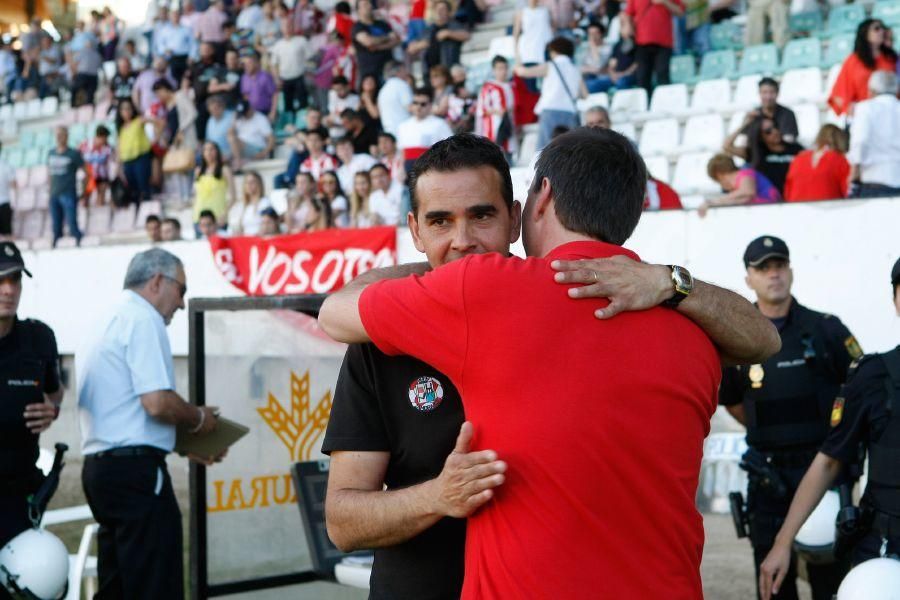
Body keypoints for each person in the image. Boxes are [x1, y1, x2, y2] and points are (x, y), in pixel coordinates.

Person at [317, 130, 780, 598]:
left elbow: (332, 309)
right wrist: (437, 497)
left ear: (528, 209)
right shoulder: (692, 327)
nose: (462, 241)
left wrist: (667, 282)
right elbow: (762, 340)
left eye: (481, 216)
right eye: (440, 222)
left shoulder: (494, 292)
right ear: (414, 230)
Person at [719, 235, 862, 600]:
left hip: (822, 476)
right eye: (763, 268)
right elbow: (732, 401)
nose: (773, 275)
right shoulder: (735, 336)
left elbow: (860, 390)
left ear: (791, 271)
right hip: (769, 481)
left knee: (830, 584)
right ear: (748, 278)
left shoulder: (827, 330)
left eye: (779, 265)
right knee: (774, 585)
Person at [77, 248, 221, 599]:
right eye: (182, 291)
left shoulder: (104, 318)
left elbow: (121, 416)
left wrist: (183, 443)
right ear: (158, 281)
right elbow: (155, 402)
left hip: (101, 470)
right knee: (156, 585)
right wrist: (199, 418)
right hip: (136, 475)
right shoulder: (144, 319)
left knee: (118, 585)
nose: (183, 304)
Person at [759, 256, 900, 600]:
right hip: (885, 552)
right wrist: (782, 543)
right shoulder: (874, 376)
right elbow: (828, 461)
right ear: (896, 302)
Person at [0, 242, 63, 551]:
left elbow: (55, 392)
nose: (8, 290)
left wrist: (54, 409)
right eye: (0, 281)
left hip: (20, 494)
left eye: (15, 280)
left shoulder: (39, 339)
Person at [514, 37, 587, 151]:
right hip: (570, 112)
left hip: (550, 111)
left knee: (546, 150)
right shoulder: (575, 69)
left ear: (554, 51)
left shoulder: (550, 66)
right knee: (570, 151)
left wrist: (517, 61)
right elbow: (585, 94)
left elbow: (523, 72)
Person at [846, 70, 900, 198]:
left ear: (871, 91)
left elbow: (860, 141)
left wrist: (854, 170)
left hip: (874, 180)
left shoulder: (865, 108)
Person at [830, 19, 898, 117]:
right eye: (876, 29)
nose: (881, 31)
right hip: (863, 114)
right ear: (865, 33)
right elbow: (839, 94)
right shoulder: (853, 60)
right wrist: (855, 114)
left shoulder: (891, 58)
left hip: (890, 114)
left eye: (882, 28)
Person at [724, 116, 803, 195]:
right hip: (771, 201)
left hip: (795, 196)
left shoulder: (795, 148)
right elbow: (727, 146)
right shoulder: (755, 153)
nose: (775, 131)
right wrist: (745, 124)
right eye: (768, 131)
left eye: (776, 126)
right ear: (760, 136)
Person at [622, 0, 684, 94]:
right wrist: (628, 26)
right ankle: (645, 105)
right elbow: (628, 13)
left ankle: (666, 104)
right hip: (641, 42)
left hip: (664, 43)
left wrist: (665, 2)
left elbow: (680, 12)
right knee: (642, 78)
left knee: (662, 76)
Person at [700, 153, 782, 216]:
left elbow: (748, 192)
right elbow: (742, 199)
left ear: (719, 175)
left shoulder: (745, 173)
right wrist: (713, 203)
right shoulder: (742, 178)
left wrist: (714, 201)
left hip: (773, 208)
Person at [783, 124, 850, 202]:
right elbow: (848, 192)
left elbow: (787, 191)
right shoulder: (839, 160)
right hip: (829, 209)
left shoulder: (798, 158)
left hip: (797, 209)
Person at [397, 88, 453, 174]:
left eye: (423, 104)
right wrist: (400, 170)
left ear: (430, 105)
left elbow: (449, 147)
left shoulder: (440, 124)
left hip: (431, 168)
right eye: (415, 103)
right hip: (408, 170)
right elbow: (402, 152)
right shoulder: (403, 126)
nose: (418, 107)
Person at [48, 127, 85, 248]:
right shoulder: (51, 153)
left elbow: (86, 172)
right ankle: (56, 247)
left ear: (67, 136)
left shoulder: (73, 154)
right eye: (57, 135)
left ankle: (79, 243)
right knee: (56, 226)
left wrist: (83, 190)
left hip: (68, 192)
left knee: (72, 223)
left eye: (62, 135)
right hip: (54, 193)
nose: (59, 137)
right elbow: (49, 173)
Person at [408, 0, 471, 71]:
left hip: (448, 69)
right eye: (437, 9)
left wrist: (449, 33)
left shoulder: (454, 25)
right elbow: (411, 49)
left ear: (449, 12)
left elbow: (467, 35)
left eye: (442, 9)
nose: (439, 12)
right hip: (429, 71)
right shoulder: (429, 29)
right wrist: (420, 45)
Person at [269, 18, 311, 118]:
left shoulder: (302, 41)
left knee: (303, 105)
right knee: (288, 107)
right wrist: (276, 79)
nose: (287, 28)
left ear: (293, 27)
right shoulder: (278, 45)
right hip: (285, 79)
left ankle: (303, 125)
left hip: (300, 77)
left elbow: (310, 58)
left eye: (289, 25)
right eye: (285, 26)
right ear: (281, 28)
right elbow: (273, 64)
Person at [476, 55, 517, 156]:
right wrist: (498, 111)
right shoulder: (488, 87)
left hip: (509, 127)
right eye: (500, 68)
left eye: (505, 68)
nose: (503, 71)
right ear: (494, 70)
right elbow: (482, 109)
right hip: (494, 130)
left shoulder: (511, 86)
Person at [116, 98, 154, 205]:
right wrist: (118, 167)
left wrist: (156, 140)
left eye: (128, 108)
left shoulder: (138, 121)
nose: (126, 111)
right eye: (123, 109)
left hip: (140, 159)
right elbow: (119, 148)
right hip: (127, 162)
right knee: (133, 191)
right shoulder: (121, 128)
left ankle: (147, 210)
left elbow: (158, 122)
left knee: (144, 187)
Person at [352, 0, 400, 84]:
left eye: (369, 3)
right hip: (371, 71)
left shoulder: (381, 24)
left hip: (388, 68)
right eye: (365, 5)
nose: (369, 6)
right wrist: (387, 37)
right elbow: (368, 41)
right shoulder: (358, 27)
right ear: (358, 10)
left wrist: (379, 47)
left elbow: (396, 39)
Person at [193, 141, 236, 228]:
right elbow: (195, 196)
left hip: (218, 217)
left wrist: (224, 214)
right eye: (206, 150)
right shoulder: (198, 171)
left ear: (217, 151)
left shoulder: (224, 170)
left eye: (211, 149)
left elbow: (233, 197)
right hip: (199, 217)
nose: (209, 152)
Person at [743, 78, 799, 144]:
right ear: (759, 93)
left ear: (778, 93)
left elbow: (789, 143)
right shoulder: (752, 115)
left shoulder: (788, 114)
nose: (768, 97)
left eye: (772, 92)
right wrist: (745, 123)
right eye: (764, 92)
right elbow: (744, 141)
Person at [228, 102, 275, 170]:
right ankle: (239, 160)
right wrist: (234, 119)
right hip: (243, 150)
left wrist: (264, 153)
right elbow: (230, 133)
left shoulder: (260, 119)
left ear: (250, 109)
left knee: (233, 139)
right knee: (230, 137)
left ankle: (238, 162)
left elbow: (271, 139)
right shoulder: (240, 118)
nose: (244, 115)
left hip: (257, 149)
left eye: (245, 112)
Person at [79, 125, 114, 206]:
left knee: (101, 198)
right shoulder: (85, 144)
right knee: (85, 199)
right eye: (105, 137)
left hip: (101, 176)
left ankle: (100, 214)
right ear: (100, 136)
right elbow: (78, 158)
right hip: (88, 176)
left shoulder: (108, 148)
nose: (106, 140)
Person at [228, 171, 272, 235]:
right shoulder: (241, 205)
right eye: (247, 182)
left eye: (252, 182)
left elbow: (268, 224)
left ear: (259, 184)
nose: (249, 185)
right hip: (245, 239)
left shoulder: (265, 202)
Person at [240, 50, 277, 121]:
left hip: (265, 112)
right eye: (245, 64)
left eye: (249, 63)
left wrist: (273, 113)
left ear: (256, 63)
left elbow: (274, 95)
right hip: (251, 114)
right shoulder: (244, 78)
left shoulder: (265, 76)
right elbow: (246, 96)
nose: (246, 66)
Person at [377, 62, 413, 137]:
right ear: (398, 71)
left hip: (389, 132)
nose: (407, 72)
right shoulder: (402, 85)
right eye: (404, 69)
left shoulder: (382, 90)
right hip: (405, 132)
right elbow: (410, 108)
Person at [205, 95, 237, 162]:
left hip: (229, 152)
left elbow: (237, 136)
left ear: (222, 107)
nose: (214, 112)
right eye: (211, 111)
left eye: (216, 109)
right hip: (215, 153)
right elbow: (208, 140)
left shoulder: (232, 116)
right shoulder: (210, 121)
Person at [0, 143, 14, 236]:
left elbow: (14, 185)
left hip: (4, 203)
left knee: (7, 235)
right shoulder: (6, 166)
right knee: (7, 235)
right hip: (4, 203)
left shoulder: (6, 166)